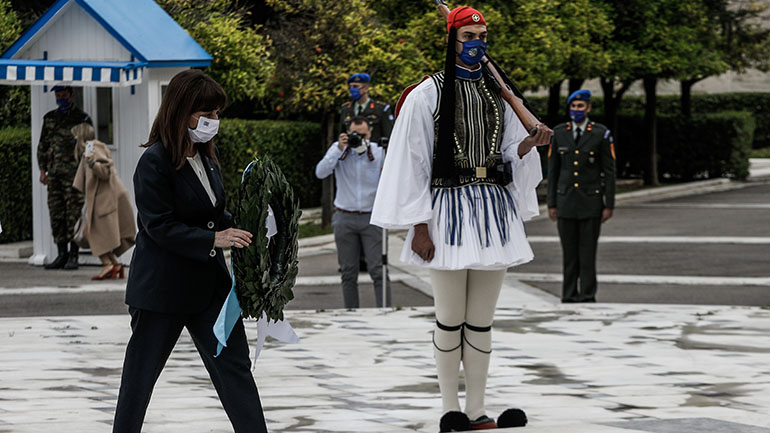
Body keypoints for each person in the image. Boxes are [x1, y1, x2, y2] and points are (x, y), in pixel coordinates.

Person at [371, 6, 551, 431]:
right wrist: (418, 225)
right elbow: (412, 161)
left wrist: (529, 145)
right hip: (446, 211)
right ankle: (450, 408)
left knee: (482, 321)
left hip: (492, 210)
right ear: (452, 40)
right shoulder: (426, 94)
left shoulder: (497, 92)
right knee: (449, 318)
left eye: (482, 35)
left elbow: (509, 151)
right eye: (469, 35)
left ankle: (477, 410)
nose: (477, 43)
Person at [112, 69, 268, 433]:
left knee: (235, 371)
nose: (214, 121)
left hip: (209, 289)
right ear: (181, 111)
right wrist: (212, 239)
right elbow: (158, 224)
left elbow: (213, 214)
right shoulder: (154, 161)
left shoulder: (206, 157)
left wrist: (253, 225)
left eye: (217, 114)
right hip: (161, 292)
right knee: (139, 380)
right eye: (207, 114)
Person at [547, 89, 616, 303]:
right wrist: (551, 203)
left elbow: (609, 171)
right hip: (566, 201)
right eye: (573, 106)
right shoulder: (559, 133)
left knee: (587, 253)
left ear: (588, 108)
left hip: (591, 202)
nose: (576, 110)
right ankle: (568, 294)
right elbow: (553, 171)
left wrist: (609, 204)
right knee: (569, 253)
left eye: (580, 106)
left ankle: (587, 294)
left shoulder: (600, 133)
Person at [315, 116, 392, 308]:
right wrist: (338, 149)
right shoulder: (339, 151)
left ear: (370, 133)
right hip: (344, 217)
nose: (359, 138)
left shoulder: (379, 151)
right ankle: (351, 313)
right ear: (347, 134)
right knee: (348, 272)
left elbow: (392, 179)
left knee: (378, 270)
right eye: (354, 134)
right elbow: (320, 172)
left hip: (372, 218)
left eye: (363, 134)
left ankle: (387, 312)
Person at [71, 123, 136, 280]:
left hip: (105, 198)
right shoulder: (92, 147)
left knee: (92, 232)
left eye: (75, 136)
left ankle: (108, 264)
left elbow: (105, 171)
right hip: (104, 198)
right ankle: (115, 265)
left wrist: (92, 163)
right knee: (97, 232)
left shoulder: (93, 147)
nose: (73, 139)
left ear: (81, 136)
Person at [38, 85, 92, 270]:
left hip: (75, 176)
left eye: (63, 95)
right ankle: (61, 254)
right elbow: (43, 146)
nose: (60, 98)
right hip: (54, 175)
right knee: (56, 214)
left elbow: (91, 147)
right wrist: (42, 170)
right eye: (57, 95)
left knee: (73, 215)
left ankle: (73, 255)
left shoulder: (82, 119)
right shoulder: (50, 119)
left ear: (71, 95)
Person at [339, 73, 394, 146]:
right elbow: (341, 133)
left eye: (356, 86)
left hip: (374, 153)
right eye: (350, 87)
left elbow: (389, 135)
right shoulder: (346, 109)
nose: (352, 90)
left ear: (366, 88)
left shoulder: (380, 109)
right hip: (351, 154)